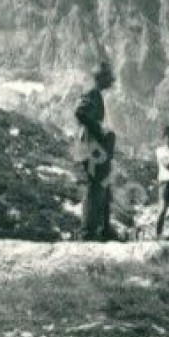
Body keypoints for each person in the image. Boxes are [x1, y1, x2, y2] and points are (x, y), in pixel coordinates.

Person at [73, 61, 116, 241]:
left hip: (94, 147)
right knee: (94, 187)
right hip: (91, 147)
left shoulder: (95, 93)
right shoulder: (92, 92)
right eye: (109, 78)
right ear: (102, 78)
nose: (111, 82)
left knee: (102, 185)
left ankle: (102, 229)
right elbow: (79, 112)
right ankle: (88, 231)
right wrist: (99, 128)